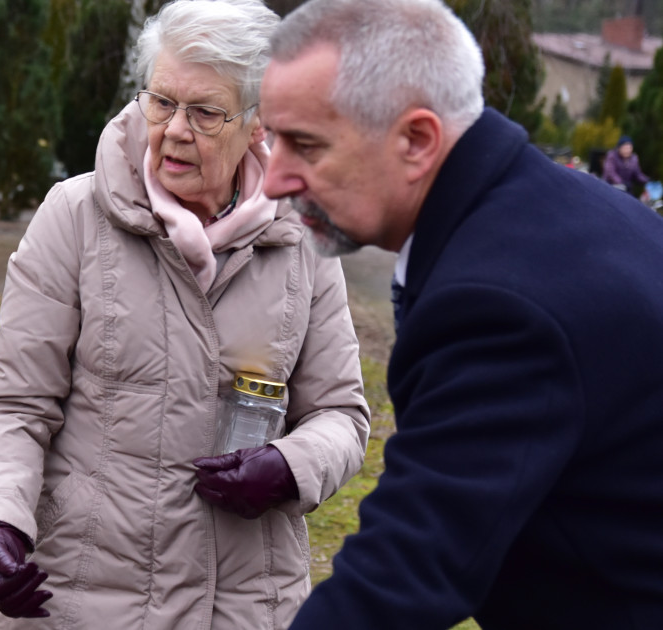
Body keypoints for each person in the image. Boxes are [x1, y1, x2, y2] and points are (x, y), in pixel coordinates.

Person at [258, 0, 663, 628]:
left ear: (418, 140)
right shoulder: (571, 211)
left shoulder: (499, 305)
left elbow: (405, 575)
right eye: (272, 138)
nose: (273, 180)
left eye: (305, 145)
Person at [0, 1, 369, 628]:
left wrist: (290, 467)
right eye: (161, 102)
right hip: (81, 600)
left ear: (259, 124)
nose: (176, 129)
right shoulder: (75, 216)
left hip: (239, 606)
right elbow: (17, 405)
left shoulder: (304, 236)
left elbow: (341, 415)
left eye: (206, 112)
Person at [602, 134, 651, 201]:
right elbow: (611, 172)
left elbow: (637, 174)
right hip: (612, 188)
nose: (627, 150)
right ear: (619, 148)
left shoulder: (634, 159)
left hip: (627, 190)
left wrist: (647, 180)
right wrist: (621, 182)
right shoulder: (612, 156)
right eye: (625, 148)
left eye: (629, 148)